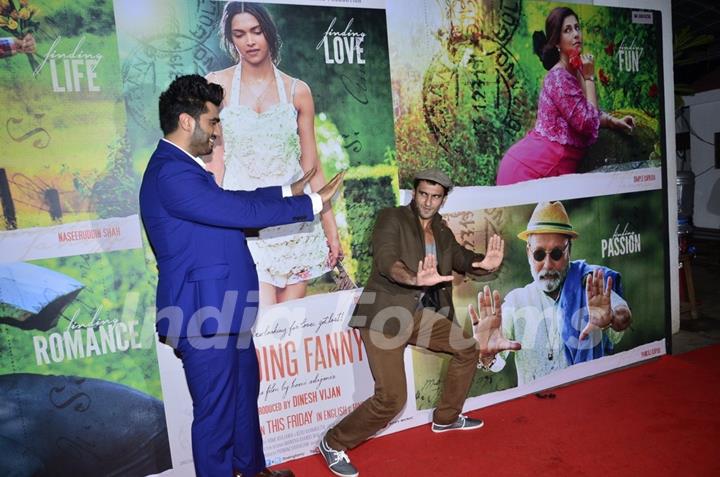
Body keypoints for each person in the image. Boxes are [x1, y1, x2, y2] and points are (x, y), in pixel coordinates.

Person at [138, 74, 344, 477]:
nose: (217, 131)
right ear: (186, 121)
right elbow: (235, 213)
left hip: (224, 310)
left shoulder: (184, 168)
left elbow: (229, 202)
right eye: (213, 122)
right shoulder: (170, 172)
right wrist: (311, 204)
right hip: (202, 315)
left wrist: (287, 191)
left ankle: (252, 471)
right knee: (215, 417)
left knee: (242, 401)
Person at [318, 168, 505, 477]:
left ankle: (446, 417)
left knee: (468, 348)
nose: (428, 202)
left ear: (443, 199)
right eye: (423, 194)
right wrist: (414, 277)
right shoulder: (392, 218)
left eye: (435, 197)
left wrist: (483, 263)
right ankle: (332, 442)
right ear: (414, 193)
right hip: (385, 316)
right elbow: (387, 260)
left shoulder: (441, 229)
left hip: (418, 315)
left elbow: (460, 257)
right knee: (392, 400)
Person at [205, 1, 342, 306]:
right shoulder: (216, 85)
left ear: (269, 32)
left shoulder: (297, 90)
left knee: (289, 332)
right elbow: (215, 162)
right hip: (246, 220)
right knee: (262, 323)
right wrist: (211, 224)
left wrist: (331, 230)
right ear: (231, 38)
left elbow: (312, 167)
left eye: (256, 31)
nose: (249, 41)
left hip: (294, 225)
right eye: (239, 34)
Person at [471, 201, 633, 386]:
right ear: (528, 253)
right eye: (539, 255)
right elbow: (497, 361)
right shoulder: (516, 301)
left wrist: (610, 317)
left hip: (589, 399)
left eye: (556, 254)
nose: (547, 265)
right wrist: (486, 355)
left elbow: (624, 316)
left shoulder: (590, 284)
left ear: (569, 251)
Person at [495, 6, 635, 185]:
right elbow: (587, 122)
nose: (576, 34)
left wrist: (613, 121)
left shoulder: (575, 69)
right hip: (529, 169)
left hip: (544, 164)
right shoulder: (558, 77)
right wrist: (590, 77)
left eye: (577, 27)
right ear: (557, 42)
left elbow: (588, 111)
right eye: (567, 30)